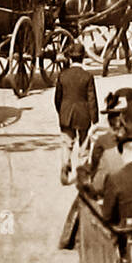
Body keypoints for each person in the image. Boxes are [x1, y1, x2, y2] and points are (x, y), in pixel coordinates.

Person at [54, 41, 98, 185]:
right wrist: (95, 119)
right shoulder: (87, 76)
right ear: (83, 57)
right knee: (84, 144)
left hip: (66, 114)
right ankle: (82, 173)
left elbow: (57, 98)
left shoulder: (62, 75)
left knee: (67, 142)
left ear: (70, 58)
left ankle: (65, 167)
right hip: (83, 115)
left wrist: (61, 112)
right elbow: (92, 99)